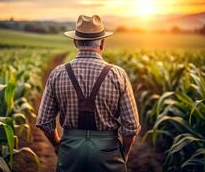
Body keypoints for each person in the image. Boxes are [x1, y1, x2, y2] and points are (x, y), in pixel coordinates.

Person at [36, 15, 141, 172]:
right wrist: (123, 153)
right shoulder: (118, 74)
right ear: (102, 43)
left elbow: (44, 121)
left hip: (70, 149)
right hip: (108, 151)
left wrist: (58, 145)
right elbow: (131, 127)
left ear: (75, 42)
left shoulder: (57, 73)